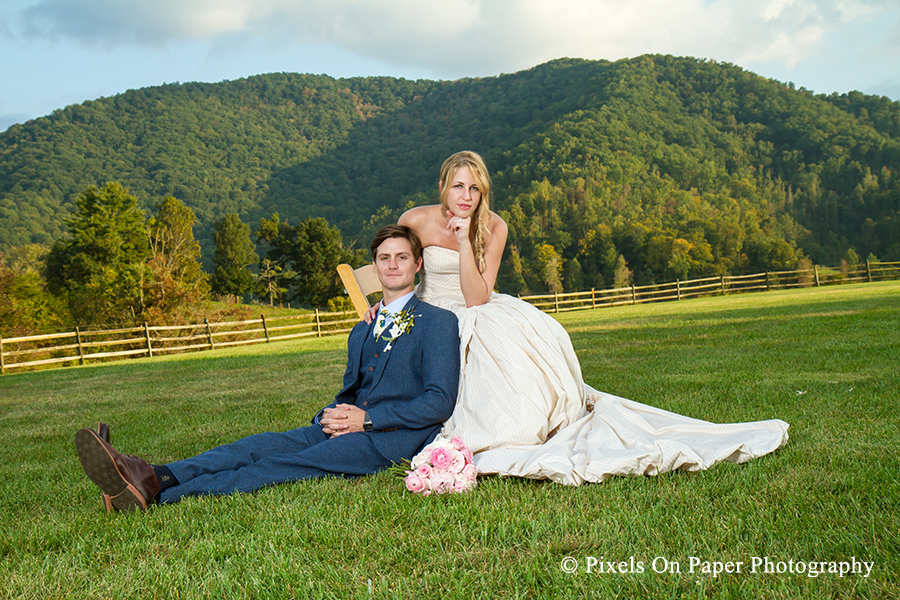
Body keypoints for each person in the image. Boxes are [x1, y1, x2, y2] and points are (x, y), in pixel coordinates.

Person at [378, 150, 789, 485]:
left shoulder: (493, 227)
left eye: (475, 188)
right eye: (458, 186)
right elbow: (399, 268)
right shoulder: (415, 219)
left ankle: (512, 428)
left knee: (511, 356)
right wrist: (385, 304)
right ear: (442, 186)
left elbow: (475, 297)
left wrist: (467, 237)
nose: (465, 195)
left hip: (476, 308)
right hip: (426, 311)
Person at [75, 225, 460, 511]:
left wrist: (367, 422)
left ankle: (155, 497)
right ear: (375, 267)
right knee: (254, 445)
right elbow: (351, 393)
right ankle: (155, 474)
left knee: (278, 465)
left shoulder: (438, 321)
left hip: (389, 440)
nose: (393, 265)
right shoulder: (361, 331)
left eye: (402, 257)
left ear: (418, 264)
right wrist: (329, 417)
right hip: (342, 426)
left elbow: (438, 401)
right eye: (384, 258)